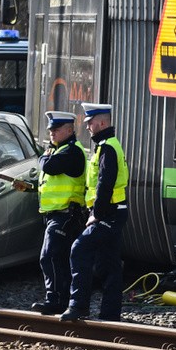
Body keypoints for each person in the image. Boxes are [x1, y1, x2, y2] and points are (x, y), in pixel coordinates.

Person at [61, 102, 129, 322]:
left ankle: (78, 306)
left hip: (108, 213)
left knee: (79, 249)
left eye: (90, 122)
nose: (87, 126)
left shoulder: (107, 147)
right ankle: (110, 316)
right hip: (114, 212)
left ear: (101, 122)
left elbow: (104, 184)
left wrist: (96, 214)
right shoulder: (106, 145)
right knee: (109, 265)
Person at [13, 111, 86, 315]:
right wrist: (30, 188)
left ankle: (55, 300)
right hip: (56, 214)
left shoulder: (71, 151)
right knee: (58, 258)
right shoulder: (60, 150)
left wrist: (44, 155)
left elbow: (50, 167)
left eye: (56, 129)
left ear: (70, 130)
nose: (51, 133)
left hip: (66, 214)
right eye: (50, 129)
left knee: (50, 256)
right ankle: (61, 300)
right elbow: (52, 182)